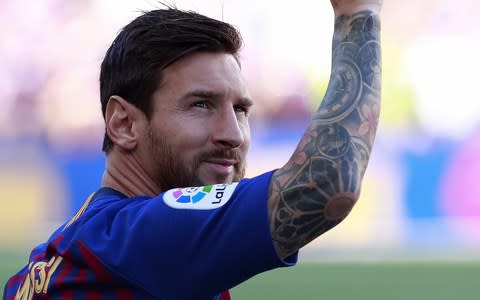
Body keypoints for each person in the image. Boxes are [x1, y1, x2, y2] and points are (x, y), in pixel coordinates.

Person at [3, 0, 383, 299]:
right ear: (123, 124)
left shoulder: (63, 257)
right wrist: (359, 11)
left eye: (241, 110)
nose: (233, 134)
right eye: (201, 104)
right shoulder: (138, 238)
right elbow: (327, 183)